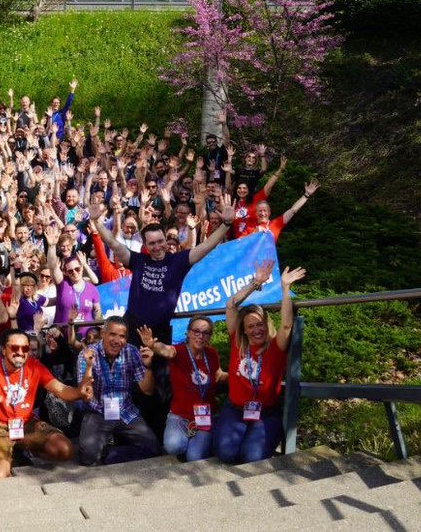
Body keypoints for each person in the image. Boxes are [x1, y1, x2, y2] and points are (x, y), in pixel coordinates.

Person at [89, 199, 236, 344]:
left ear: (165, 240)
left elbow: (207, 246)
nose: (157, 247)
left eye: (160, 241)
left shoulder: (178, 261)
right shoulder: (138, 260)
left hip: (160, 333)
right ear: (145, 245)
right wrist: (97, 222)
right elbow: (113, 244)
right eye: (152, 243)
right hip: (132, 330)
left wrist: (227, 224)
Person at [215, 260, 305, 464]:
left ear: (266, 324)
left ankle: (259, 437)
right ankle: (223, 427)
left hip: (266, 413)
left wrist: (285, 288)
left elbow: (287, 325)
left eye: (260, 324)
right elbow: (231, 305)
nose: (256, 330)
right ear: (244, 330)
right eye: (250, 326)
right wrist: (255, 283)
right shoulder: (237, 343)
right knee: (226, 454)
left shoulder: (276, 345)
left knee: (252, 457)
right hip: (235, 409)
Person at [0, 329, 86, 479]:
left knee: (64, 450)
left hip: (26, 424)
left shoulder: (34, 366)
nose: (20, 352)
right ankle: (10, 456)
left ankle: (25, 450)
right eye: (14, 348)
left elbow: (61, 389)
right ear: (3, 350)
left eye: (25, 348)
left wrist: (79, 392)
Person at [75, 316, 158, 466]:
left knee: (153, 448)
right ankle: (107, 450)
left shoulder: (131, 351)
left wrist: (148, 366)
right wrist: (89, 367)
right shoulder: (87, 354)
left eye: (122, 336)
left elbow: (148, 391)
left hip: (126, 411)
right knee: (88, 457)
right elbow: (84, 395)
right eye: (112, 334)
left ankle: (111, 454)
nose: (117, 340)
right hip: (98, 412)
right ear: (103, 334)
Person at [145, 315, 223, 462]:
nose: (200, 336)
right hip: (180, 416)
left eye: (205, 333)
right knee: (173, 446)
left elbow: (218, 375)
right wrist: (153, 345)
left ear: (209, 336)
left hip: (205, 417)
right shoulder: (179, 351)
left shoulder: (211, 354)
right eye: (196, 331)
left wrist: (240, 375)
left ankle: (204, 439)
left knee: (194, 457)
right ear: (188, 332)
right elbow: (166, 350)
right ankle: (191, 440)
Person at [239, 179, 319, 242]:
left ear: (269, 213)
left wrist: (306, 195)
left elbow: (293, 210)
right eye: (260, 211)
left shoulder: (276, 224)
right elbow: (240, 244)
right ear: (256, 213)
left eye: (265, 211)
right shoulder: (249, 227)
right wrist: (254, 233)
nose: (262, 213)